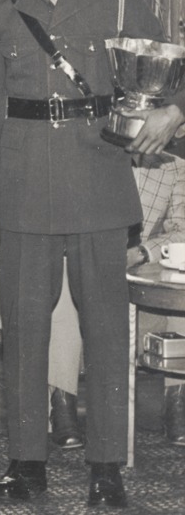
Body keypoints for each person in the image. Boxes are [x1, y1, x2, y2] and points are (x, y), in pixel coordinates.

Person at [0, 0, 182, 508]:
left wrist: (174, 112)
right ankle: (26, 461)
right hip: (25, 181)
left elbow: (171, 63)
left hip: (97, 177)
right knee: (26, 333)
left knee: (107, 335)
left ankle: (106, 467)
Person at [48, 152, 185, 450]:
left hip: (138, 292)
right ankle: (62, 406)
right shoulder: (86, 157)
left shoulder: (174, 168)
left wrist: (140, 253)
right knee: (63, 282)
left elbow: (182, 230)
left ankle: (178, 404)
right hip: (86, 276)